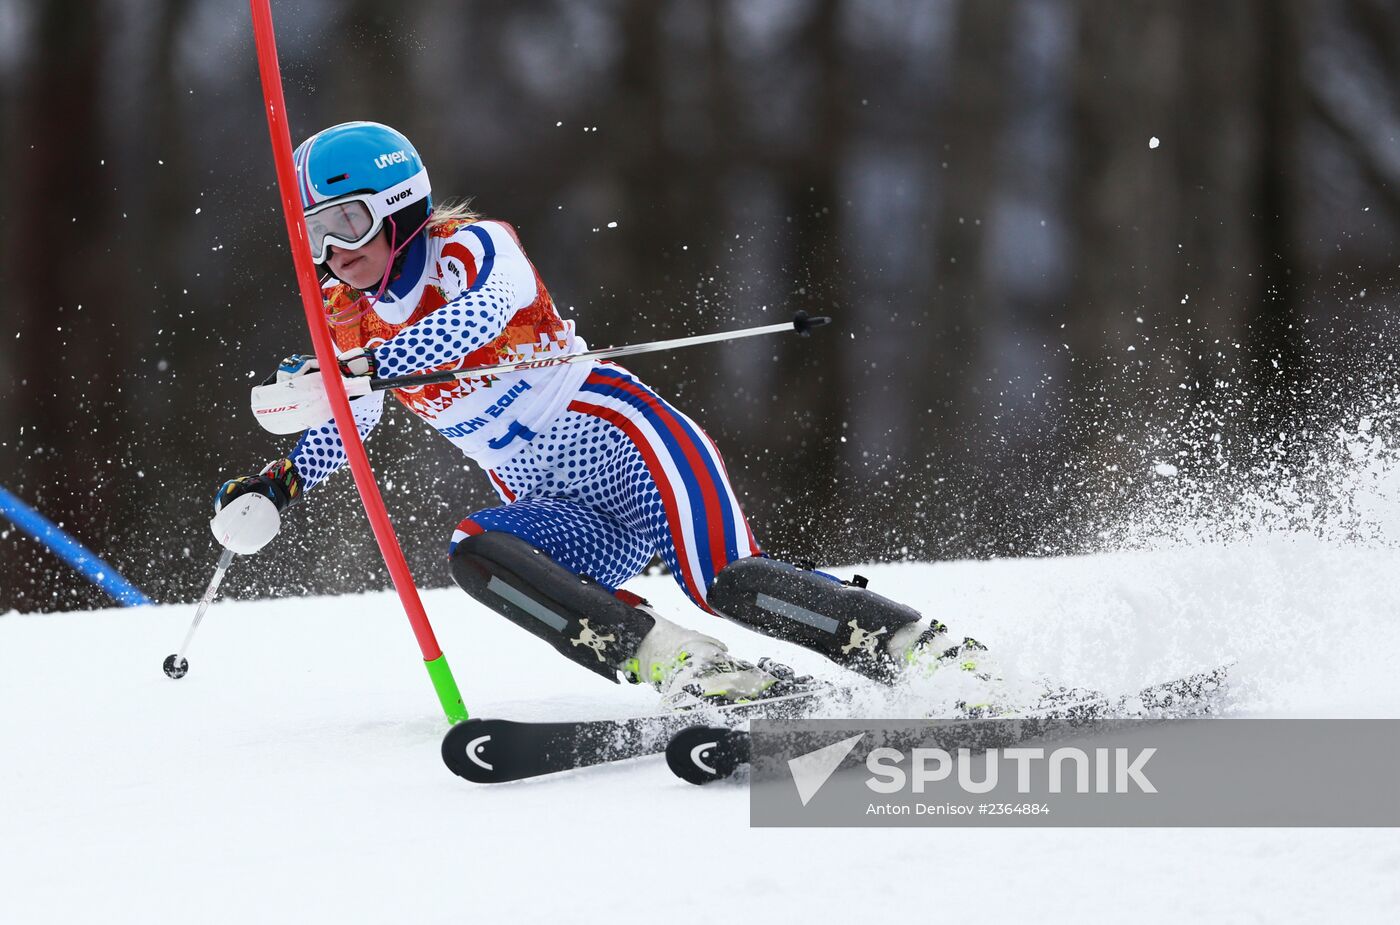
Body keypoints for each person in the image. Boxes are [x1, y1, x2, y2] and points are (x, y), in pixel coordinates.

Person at [212, 121, 982, 709]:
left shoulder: (473, 248)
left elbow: (479, 318)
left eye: (345, 223)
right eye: (314, 233)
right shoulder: (345, 317)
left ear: (397, 207)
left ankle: (927, 653)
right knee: (477, 549)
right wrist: (283, 480)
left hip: (624, 441)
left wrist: (361, 368)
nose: (333, 251)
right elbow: (353, 419)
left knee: (727, 581)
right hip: (557, 503)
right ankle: (691, 668)